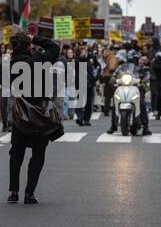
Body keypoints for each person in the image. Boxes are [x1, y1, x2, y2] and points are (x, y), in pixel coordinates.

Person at [8, 32, 62, 205]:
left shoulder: (11, 64)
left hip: (21, 115)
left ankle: (13, 192)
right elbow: (55, 47)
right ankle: (29, 194)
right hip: (39, 114)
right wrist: (36, 38)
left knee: (16, 154)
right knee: (38, 154)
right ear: (29, 46)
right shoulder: (38, 60)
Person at [75, 47, 101, 126]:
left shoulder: (92, 57)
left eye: (84, 50)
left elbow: (98, 67)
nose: (83, 52)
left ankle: (87, 119)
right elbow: (75, 67)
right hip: (81, 82)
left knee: (88, 103)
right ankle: (80, 117)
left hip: (90, 83)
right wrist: (80, 58)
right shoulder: (77, 58)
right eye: (81, 50)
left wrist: (96, 77)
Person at [102, 47, 119, 116]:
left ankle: (106, 109)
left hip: (106, 76)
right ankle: (114, 109)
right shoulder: (112, 57)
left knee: (107, 95)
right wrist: (112, 70)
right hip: (111, 76)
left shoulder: (107, 58)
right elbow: (112, 66)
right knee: (114, 94)